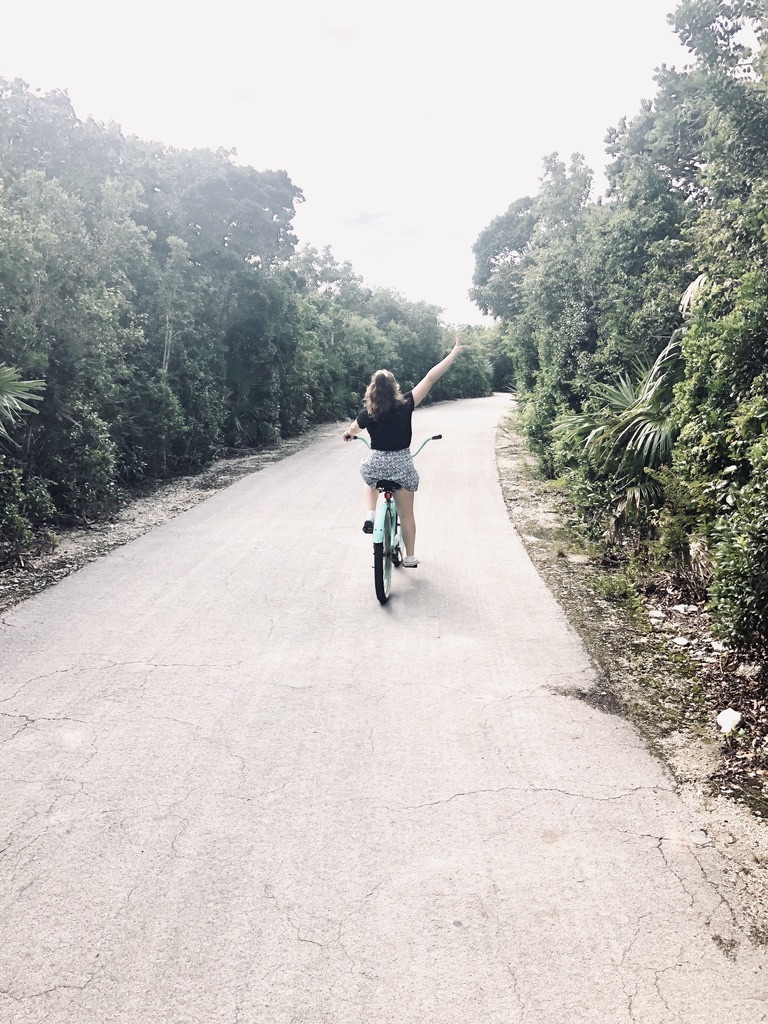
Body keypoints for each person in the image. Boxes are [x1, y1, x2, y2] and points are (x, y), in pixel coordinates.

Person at [343, 336, 465, 567]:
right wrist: (454, 352)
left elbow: (354, 429)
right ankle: (409, 557)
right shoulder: (405, 403)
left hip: (376, 463)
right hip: (401, 465)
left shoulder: (368, 412)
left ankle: (370, 514)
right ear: (394, 388)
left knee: (369, 479)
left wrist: (349, 434)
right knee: (407, 515)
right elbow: (430, 378)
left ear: (372, 390)